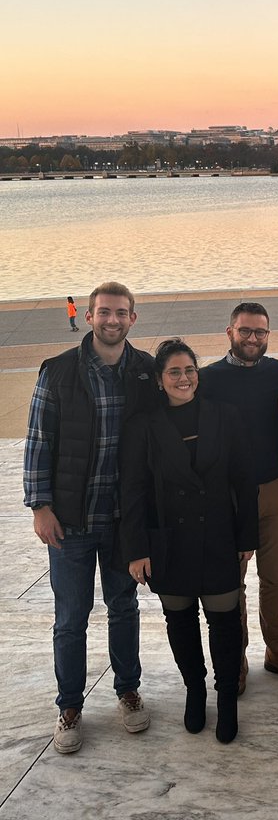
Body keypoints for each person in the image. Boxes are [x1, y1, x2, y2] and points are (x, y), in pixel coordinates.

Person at [23, 281, 156, 755]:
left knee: (124, 609)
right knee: (70, 619)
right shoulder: (58, 371)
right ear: (90, 316)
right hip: (72, 521)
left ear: (133, 319)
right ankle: (70, 705)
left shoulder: (146, 371)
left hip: (123, 520)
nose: (112, 320)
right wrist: (40, 506)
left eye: (121, 313)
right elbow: (38, 441)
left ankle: (127, 690)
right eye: (104, 312)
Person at [120, 340, 258, 744]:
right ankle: (195, 691)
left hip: (218, 534)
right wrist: (137, 548)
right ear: (161, 381)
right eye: (174, 372)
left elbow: (244, 481)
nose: (184, 379)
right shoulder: (143, 426)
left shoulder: (224, 417)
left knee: (225, 621)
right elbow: (133, 491)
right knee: (179, 621)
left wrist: (246, 536)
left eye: (189, 370)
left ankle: (227, 698)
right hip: (168, 540)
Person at [200, 302, 278, 691]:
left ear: (268, 335)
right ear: (229, 332)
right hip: (228, 496)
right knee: (234, 581)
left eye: (260, 332)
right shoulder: (208, 378)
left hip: (276, 485)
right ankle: (237, 656)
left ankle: (277, 652)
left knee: (274, 577)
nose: (252, 338)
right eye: (245, 331)